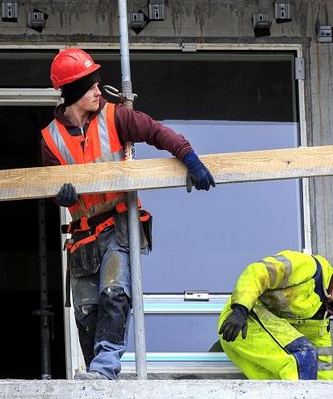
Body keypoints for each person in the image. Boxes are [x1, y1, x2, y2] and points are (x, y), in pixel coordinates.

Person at [42, 48, 216, 380]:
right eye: (91, 86)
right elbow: (51, 190)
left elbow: (156, 132)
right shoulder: (50, 139)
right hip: (80, 236)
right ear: (74, 93)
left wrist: (189, 157)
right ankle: (96, 372)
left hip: (117, 224)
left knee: (114, 291)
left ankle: (105, 367)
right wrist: (60, 197)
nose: (97, 91)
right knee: (85, 310)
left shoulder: (115, 117)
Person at [218, 250, 333, 380]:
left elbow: (322, 362)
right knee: (303, 355)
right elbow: (258, 272)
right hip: (240, 323)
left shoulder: (322, 315)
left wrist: (330, 392)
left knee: (286, 382)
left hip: (259, 339)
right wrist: (240, 309)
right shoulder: (309, 268)